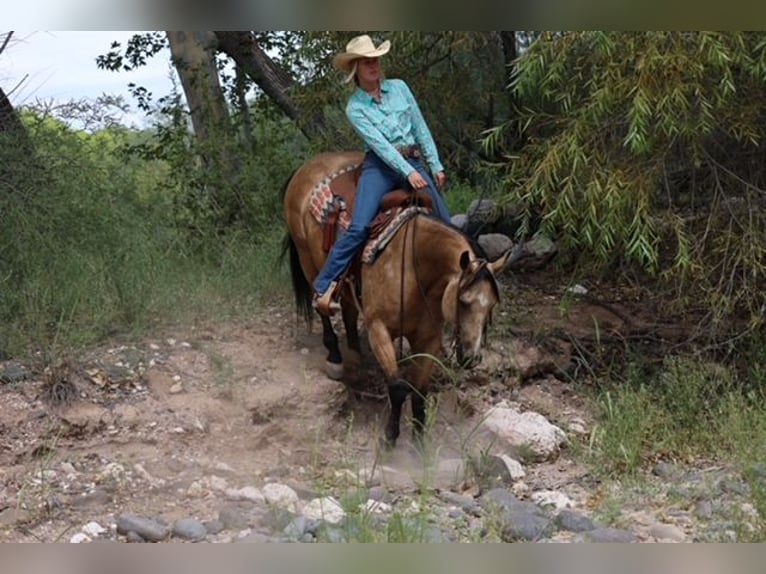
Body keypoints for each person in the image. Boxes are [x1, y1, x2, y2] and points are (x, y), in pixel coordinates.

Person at [313, 34, 453, 316]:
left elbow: (420, 127)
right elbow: (381, 146)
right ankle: (323, 284)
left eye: (375, 60)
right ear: (356, 69)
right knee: (360, 226)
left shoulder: (400, 88)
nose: (373, 66)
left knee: (447, 225)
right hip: (381, 166)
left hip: (413, 160)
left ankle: (456, 287)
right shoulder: (355, 108)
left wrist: (435, 164)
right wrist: (408, 172)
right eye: (367, 62)